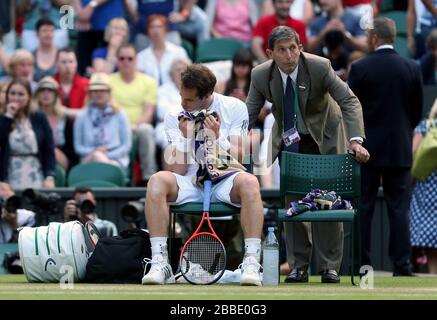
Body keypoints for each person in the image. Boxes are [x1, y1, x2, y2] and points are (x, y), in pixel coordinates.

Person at [246, 26, 369, 283]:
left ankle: (329, 267)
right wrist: (231, 141)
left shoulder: (320, 67)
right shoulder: (259, 75)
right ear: (270, 53)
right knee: (293, 206)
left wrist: (356, 140)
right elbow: (247, 114)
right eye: (282, 50)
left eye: (293, 48)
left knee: (328, 202)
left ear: (300, 48)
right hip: (291, 143)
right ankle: (297, 267)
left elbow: (349, 100)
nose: (289, 55)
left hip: (325, 136)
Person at [141, 64, 264, 286]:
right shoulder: (174, 115)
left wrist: (217, 138)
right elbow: (175, 170)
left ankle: (252, 262)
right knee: (157, 180)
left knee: (250, 182)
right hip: (188, 182)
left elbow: (240, 158)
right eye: (181, 97)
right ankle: (161, 262)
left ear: (207, 96)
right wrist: (187, 138)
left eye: (188, 100)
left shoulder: (234, 107)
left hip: (224, 180)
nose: (182, 104)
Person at [348, 17, 423, 276]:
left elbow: (351, 109)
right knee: (399, 209)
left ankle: (362, 265)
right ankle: (401, 265)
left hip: (365, 150)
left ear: (374, 38)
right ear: (393, 37)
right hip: (399, 148)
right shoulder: (412, 67)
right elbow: (416, 112)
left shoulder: (359, 68)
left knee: (364, 208)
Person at [109, 44, 158, 182]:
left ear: (136, 60)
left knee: (146, 130)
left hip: (138, 126)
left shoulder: (149, 82)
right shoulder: (109, 81)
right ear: (117, 61)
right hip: (115, 126)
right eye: (122, 58)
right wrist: (125, 126)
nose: (126, 62)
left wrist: (134, 126)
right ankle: (119, 176)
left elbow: (149, 111)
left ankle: (148, 177)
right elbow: (111, 108)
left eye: (130, 58)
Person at [0, 79, 56, 189]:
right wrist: (8, 117)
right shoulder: (3, 118)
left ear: (29, 97)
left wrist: (50, 176)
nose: (16, 98)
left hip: (35, 171)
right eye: (12, 93)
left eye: (21, 94)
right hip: (9, 174)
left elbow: (48, 149)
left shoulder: (39, 118)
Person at [74, 72, 132, 171]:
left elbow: (126, 145)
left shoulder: (119, 114)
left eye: (102, 90)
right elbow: (78, 147)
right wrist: (95, 152)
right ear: (90, 93)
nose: (99, 93)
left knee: (102, 159)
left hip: (116, 159)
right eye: (95, 90)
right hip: (89, 159)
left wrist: (106, 155)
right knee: (97, 156)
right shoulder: (82, 116)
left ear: (109, 92)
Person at [409, 98, 437, 273]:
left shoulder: (425, 127)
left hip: (426, 187)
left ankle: (433, 275)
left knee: (430, 239)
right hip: (429, 188)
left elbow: (412, 154)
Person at [34, 76, 78, 172]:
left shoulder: (65, 119)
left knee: (53, 151)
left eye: (50, 90)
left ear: (56, 95)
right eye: (42, 90)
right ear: (37, 95)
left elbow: (71, 150)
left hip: (61, 159)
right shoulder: (31, 118)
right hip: (36, 156)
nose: (46, 94)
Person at [155, 58, 191, 171]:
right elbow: (163, 113)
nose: (181, 73)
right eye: (178, 70)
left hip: (191, 126)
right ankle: (170, 181)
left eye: (184, 70)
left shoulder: (194, 89)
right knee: (171, 147)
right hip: (168, 127)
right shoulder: (163, 90)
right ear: (171, 75)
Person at [136, 15, 189, 86]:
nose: (156, 30)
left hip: (176, 94)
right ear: (148, 31)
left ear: (165, 29)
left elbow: (187, 77)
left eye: (159, 27)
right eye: (152, 27)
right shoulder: (140, 56)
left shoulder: (179, 52)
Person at [54, 48, 90, 114]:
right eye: (64, 62)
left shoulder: (86, 84)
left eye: (71, 62)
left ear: (76, 64)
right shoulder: (50, 84)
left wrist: (63, 111)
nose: (68, 66)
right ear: (56, 64)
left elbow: (88, 112)